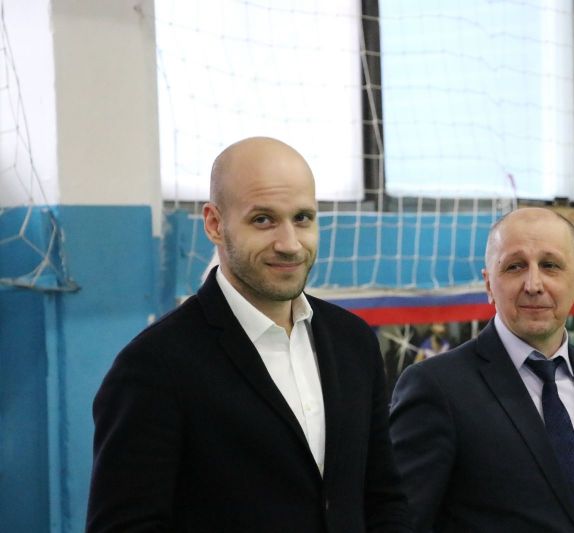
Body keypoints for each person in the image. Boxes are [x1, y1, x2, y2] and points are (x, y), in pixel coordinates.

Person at [87, 137, 411, 532]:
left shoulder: (353, 341)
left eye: (303, 218)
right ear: (214, 224)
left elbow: (383, 498)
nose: (290, 244)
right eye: (263, 220)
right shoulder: (153, 366)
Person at [389, 207, 574, 532]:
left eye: (550, 265)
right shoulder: (436, 388)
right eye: (515, 266)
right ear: (489, 284)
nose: (533, 284)